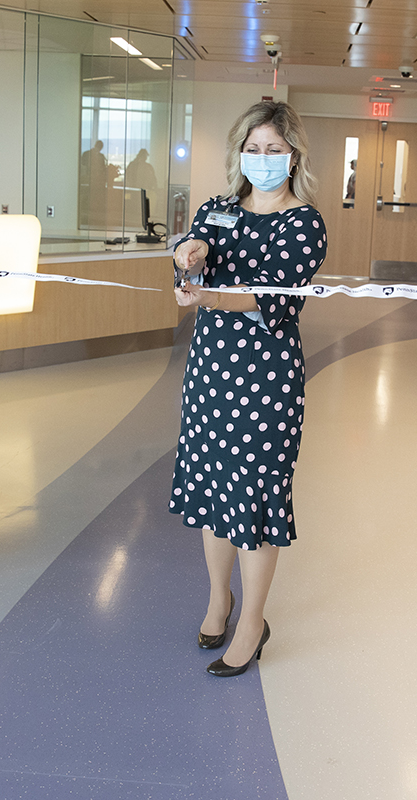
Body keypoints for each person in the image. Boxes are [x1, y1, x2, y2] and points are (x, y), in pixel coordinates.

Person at [169, 100, 326, 677]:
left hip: (265, 380)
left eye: (274, 150)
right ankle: (219, 599)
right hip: (210, 373)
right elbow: (189, 254)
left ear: (294, 156)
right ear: (239, 154)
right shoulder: (216, 209)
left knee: (253, 504)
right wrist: (189, 253)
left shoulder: (303, 223)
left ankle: (253, 621)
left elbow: (276, 301)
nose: (263, 160)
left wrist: (208, 296)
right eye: (253, 149)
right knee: (215, 495)